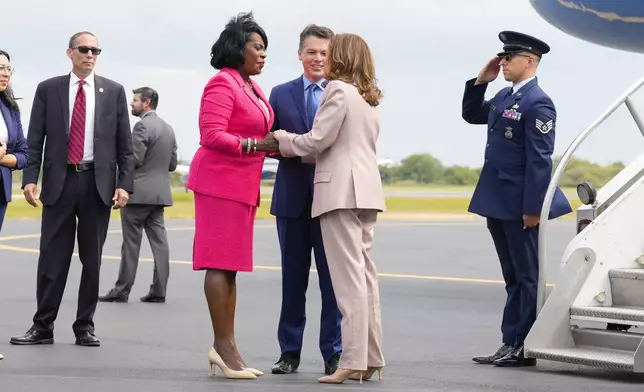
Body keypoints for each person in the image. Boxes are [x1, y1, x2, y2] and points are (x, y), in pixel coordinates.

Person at [273, 33, 386, 384]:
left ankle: (350, 359)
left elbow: (317, 140)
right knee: (366, 278)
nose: (326, 58)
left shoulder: (338, 90)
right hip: (366, 192)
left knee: (348, 282)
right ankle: (370, 358)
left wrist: (283, 140)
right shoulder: (369, 97)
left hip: (340, 192)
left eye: (331, 52)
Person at [10, 31, 135, 348]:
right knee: (52, 258)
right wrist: (29, 178)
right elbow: (35, 138)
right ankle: (43, 326)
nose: (90, 55)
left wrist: (124, 184)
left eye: (95, 50)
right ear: (70, 53)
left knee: (91, 260)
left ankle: (85, 326)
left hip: (97, 184)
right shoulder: (48, 90)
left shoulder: (114, 92)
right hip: (59, 182)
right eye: (84, 49)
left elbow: (125, 146)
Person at [461, 31, 572, 367]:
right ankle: (510, 341)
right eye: (502, 58)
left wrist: (532, 209)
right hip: (497, 199)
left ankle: (524, 346)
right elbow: (471, 114)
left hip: (521, 204)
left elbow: (540, 160)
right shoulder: (504, 97)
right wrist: (480, 81)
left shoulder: (538, 102)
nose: (504, 63)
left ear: (530, 61)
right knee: (512, 276)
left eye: (509, 58)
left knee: (526, 277)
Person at [185, 11, 278, 380]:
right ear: (237, 49)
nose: (263, 54)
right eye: (257, 47)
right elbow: (211, 135)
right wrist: (259, 144)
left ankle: (227, 346)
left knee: (230, 268)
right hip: (219, 185)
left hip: (241, 187)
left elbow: (263, 136)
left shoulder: (250, 87)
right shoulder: (222, 84)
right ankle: (223, 348)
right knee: (219, 263)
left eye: (265, 48)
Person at [267, 24, 342, 376]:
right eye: (312, 52)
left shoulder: (344, 93)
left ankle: (334, 352)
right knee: (292, 282)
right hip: (292, 200)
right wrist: (299, 152)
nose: (318, 59)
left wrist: (298, 145)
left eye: (324, 53)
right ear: (300, 54)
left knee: (333, 283)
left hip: (332, 202)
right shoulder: (280, 94)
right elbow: (269, 141)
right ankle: (289, 352)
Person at [99, 87, 177, 304]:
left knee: (131, 244)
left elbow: (133, 159)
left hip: (139, 194)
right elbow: (171, 164)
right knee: (160, 243)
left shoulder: (142, 126)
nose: (131, 104)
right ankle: (159, 290)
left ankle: (121, 290)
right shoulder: (168, 129)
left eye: (135, 100)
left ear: (147, 103)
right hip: (159, 195)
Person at [0, 50, 29, 360]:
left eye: (9, 68)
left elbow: (24, 153)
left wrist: (6, 158)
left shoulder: (10, 108)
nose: (5, 73)